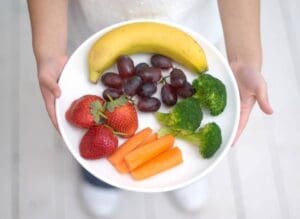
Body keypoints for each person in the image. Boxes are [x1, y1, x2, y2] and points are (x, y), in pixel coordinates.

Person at [27, 0, 273, 217]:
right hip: (95, 34)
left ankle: (183, 175)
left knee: (191, 159)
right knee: (93, 141)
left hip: (193, 33)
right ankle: (99, 179)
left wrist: (246, 58)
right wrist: (48, 52)